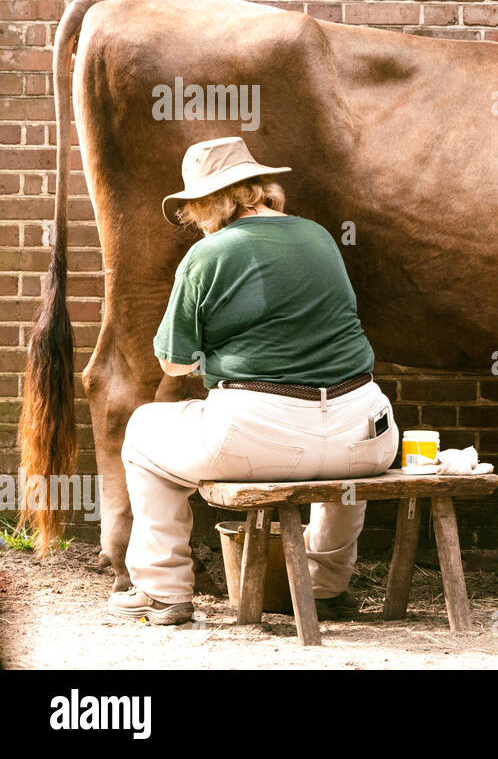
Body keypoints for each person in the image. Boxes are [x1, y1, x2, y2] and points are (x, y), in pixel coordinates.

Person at [109, 136, 398, 625]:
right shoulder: (320, 235)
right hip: (366, 431)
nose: (196, 219)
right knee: (345, 478)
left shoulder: (207, 255)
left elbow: (174, 364)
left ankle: (162, 591)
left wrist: (215, 357)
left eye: (196, 207)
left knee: (141, 432)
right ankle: (326, 588)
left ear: (212, 201)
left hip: (258, 437)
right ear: (259, 188)